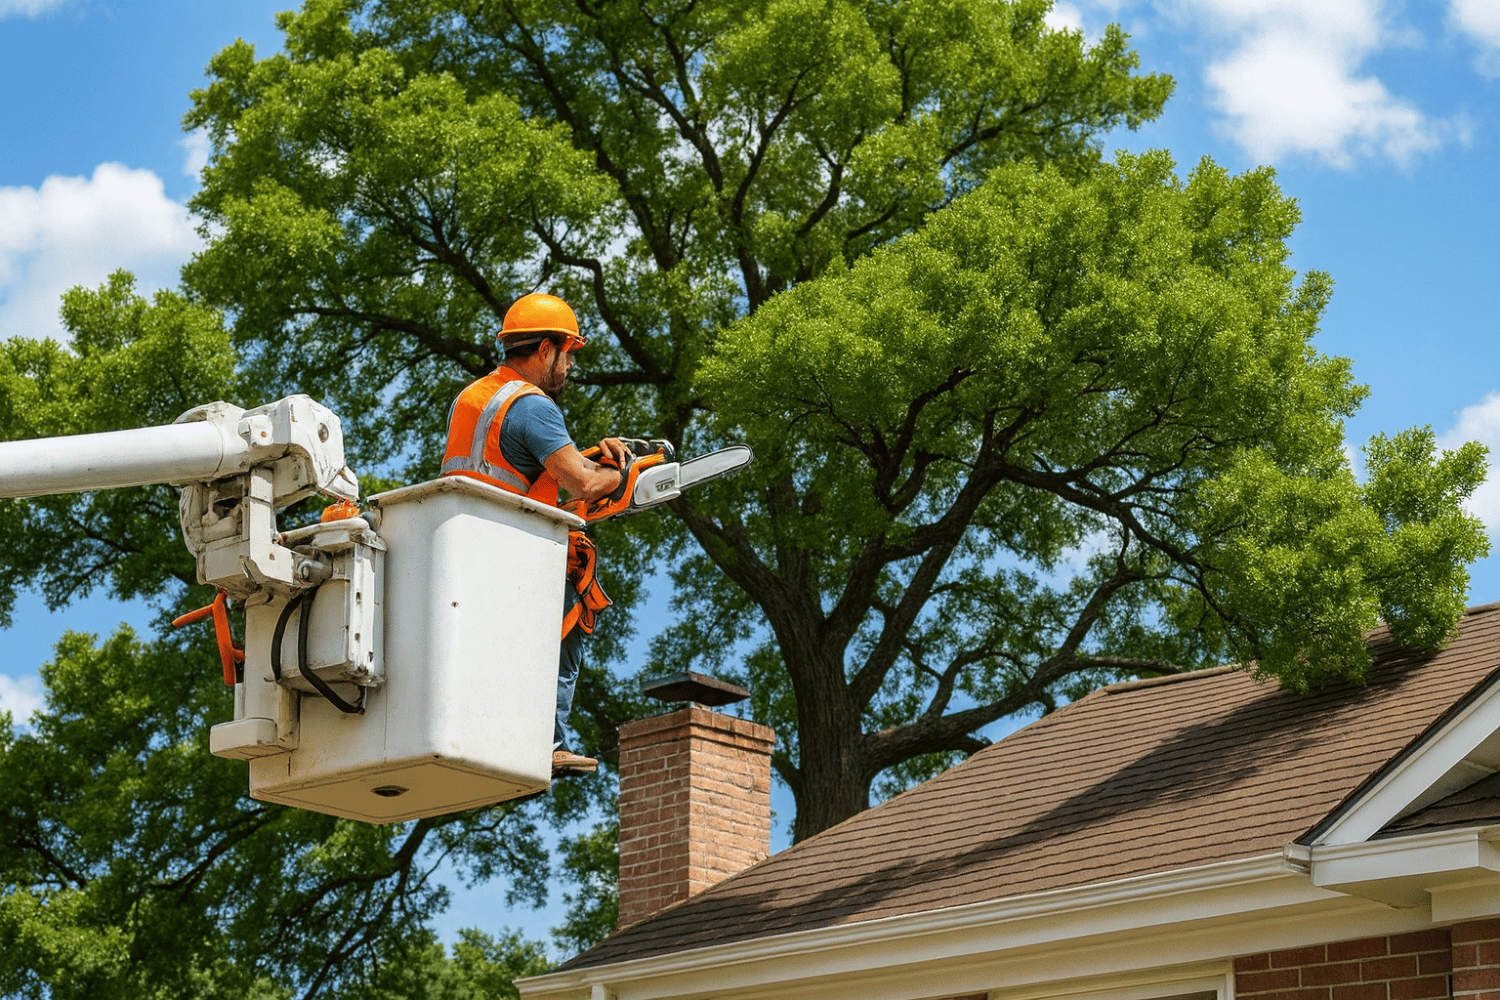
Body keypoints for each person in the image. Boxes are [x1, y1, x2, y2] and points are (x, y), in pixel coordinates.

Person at [442, 292, 630, 776]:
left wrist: (591, 460)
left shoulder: (475, 397)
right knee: (572, 611)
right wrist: (624, 476)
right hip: (515, 553)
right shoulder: (534, 405)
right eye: (568, 353)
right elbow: (584, 483)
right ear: (547, 349)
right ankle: (548, 742)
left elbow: (516, 473)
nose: (569, 366)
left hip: (468, 547)